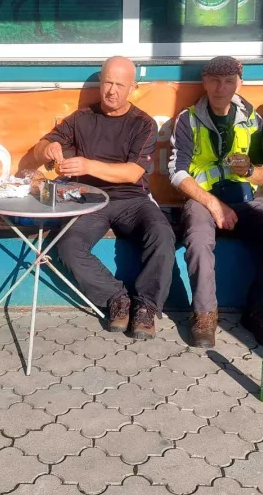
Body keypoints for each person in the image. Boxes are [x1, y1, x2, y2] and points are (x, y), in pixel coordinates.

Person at [27, 56, 175, 340]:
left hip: (133, 200)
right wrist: (48, 149)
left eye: (120, 85)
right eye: (107, 82)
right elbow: (40, 148)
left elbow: (133, 172)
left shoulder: (143, 123)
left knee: (162, 235)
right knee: (67, 246)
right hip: (90, 199)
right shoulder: (81, 118)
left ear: (132, 87)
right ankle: (117, 298)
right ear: (100, 81)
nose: (112, 91)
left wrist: (88, 166)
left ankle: (146, 306)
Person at [169, 56, 263, 348]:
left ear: (239, 83)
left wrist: (249, 171)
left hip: (244, 201)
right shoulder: (188, 118)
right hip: (202, 200)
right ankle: (204, 315)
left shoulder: (252, 119)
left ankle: (258, 312)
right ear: (204, 82)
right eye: (215, 80)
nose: (221, 88)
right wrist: (214, 204)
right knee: (198, 239)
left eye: (229, 81)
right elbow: (176, 173)